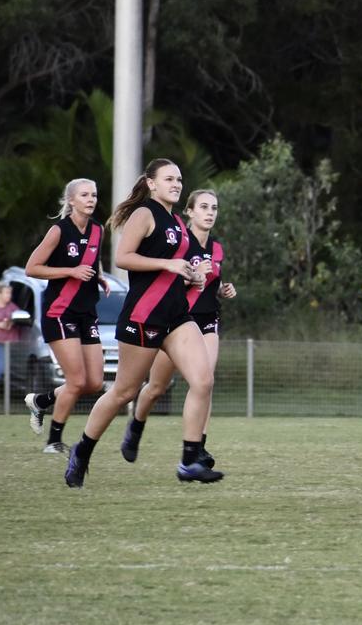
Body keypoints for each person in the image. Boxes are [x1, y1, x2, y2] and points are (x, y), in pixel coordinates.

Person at [63, 158, 222, 488]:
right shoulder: (144, 214)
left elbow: (177, 268)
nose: (176, 184)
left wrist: (191, 275)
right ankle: (82, 450)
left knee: (203, 380)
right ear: (151, 183)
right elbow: (123, 258)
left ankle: (189, 461)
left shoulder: (178, 221)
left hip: (177, 315)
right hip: (143, 316)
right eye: (168, 179)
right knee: (124, 392)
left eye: (179, 179)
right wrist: (169, 264)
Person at [118, 189, 237, 466]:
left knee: (204, 381)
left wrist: (222, 289)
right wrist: (192, 277)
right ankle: (136, 425)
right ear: (190, 212)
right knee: (157, 387)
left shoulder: (216, 247)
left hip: (205, 320)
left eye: (214, 208)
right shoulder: (178, 241)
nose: (210, 213)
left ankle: (198, 449)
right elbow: (164, 281)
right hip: (174, 320)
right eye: (204, 207)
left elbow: (212, 282)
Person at [22, 178, 110, 453]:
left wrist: (99, 278)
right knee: (76, 381)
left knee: (95, 382)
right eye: (84, 195)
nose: (91, 199)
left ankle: (42, 401)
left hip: (87, 312)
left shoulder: (98, 230)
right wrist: (70, 272)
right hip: (59, 312)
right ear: (71, 200)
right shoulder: (58, 231)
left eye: (94, 195)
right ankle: (53, 442)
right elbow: (32, 268)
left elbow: (92, 262)